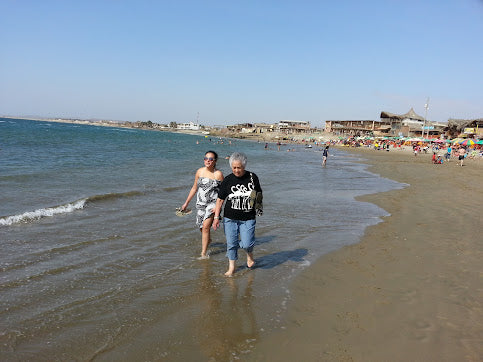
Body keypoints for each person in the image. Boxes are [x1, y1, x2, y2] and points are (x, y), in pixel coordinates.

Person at [212, 152, 263, 277]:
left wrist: (258, 208)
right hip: (230, 218)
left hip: (248, 218)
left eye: (238, 167)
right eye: (234, 167)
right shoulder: (228, 180)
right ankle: (232, 268)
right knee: (231, 243)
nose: (236, 170)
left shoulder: (252, 177)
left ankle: (249, 255)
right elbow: (220, 200)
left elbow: (258, 194)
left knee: (247, 243)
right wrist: (216, 217)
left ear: (244, 166)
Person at [181, 151, 224, 259]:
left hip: (213, 204)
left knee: (205, 227)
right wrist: (186, 203)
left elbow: (224, 192)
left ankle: (203, 254)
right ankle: (208, 240)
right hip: (200, 203)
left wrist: (218, 207)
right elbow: (194, 188)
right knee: (200, 226)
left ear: (215, 161)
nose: (207, 161)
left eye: (210, 159)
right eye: (206, 158)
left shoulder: (218, 174)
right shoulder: (199, 171)